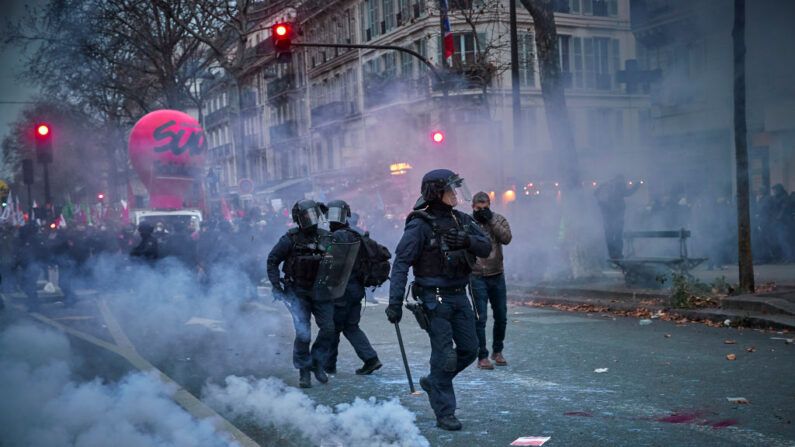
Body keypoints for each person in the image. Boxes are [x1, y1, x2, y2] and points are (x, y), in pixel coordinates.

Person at [387, 169, 491, 431]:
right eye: (450, 190)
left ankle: (435, 381)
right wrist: (395, 302)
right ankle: (445, 412)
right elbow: (401, 263)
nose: (455, 195)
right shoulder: (420, 225)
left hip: (459, 296)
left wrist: (467, 239)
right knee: (444, 355)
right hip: (434, 300)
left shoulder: (461, 220)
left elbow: (486, 246)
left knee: (470, 349)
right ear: (436, 193)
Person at [267, 200, 335, 388]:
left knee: (329, 329)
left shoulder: (326, 237)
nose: (311, 220)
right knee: (303, 333)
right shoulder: (290, 239)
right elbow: (272, 260)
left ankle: (317, 363)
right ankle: (304, 371)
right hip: (298, 292)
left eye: (313, 215)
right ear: (299, 219)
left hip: (321, 292)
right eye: (306, 216)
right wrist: (276, 285)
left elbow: (338, 261)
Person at [323, 200, 382, 376]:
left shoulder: (337, 237)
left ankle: (328, 365)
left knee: (334, 328)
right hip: (356, 288)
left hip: (341, 290)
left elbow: (329, 263)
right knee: (351, 326)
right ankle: (371, 359)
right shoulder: (358, 233)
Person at [469, 191, 512, 370]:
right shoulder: (468, 222)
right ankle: (482, 355)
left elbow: (506, 238)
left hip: (496, 274)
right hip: (476, 275)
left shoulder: (499, 219)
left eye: (485, 208)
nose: (482, 211)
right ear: (473, 207)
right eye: (479, 208)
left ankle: (497, 350)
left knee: (501, 315)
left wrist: (491, 220)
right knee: (480, 318)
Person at [595, 174, 640, 259]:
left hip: (607, 216)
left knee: (609, 236)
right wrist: (636, 186)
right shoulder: (618, 185)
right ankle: (618, 255)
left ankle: (611, 255)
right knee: (618, 235)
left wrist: (602, 205)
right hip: (617, 215)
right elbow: (627, 193)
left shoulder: (605, 185)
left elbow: (595, 193)